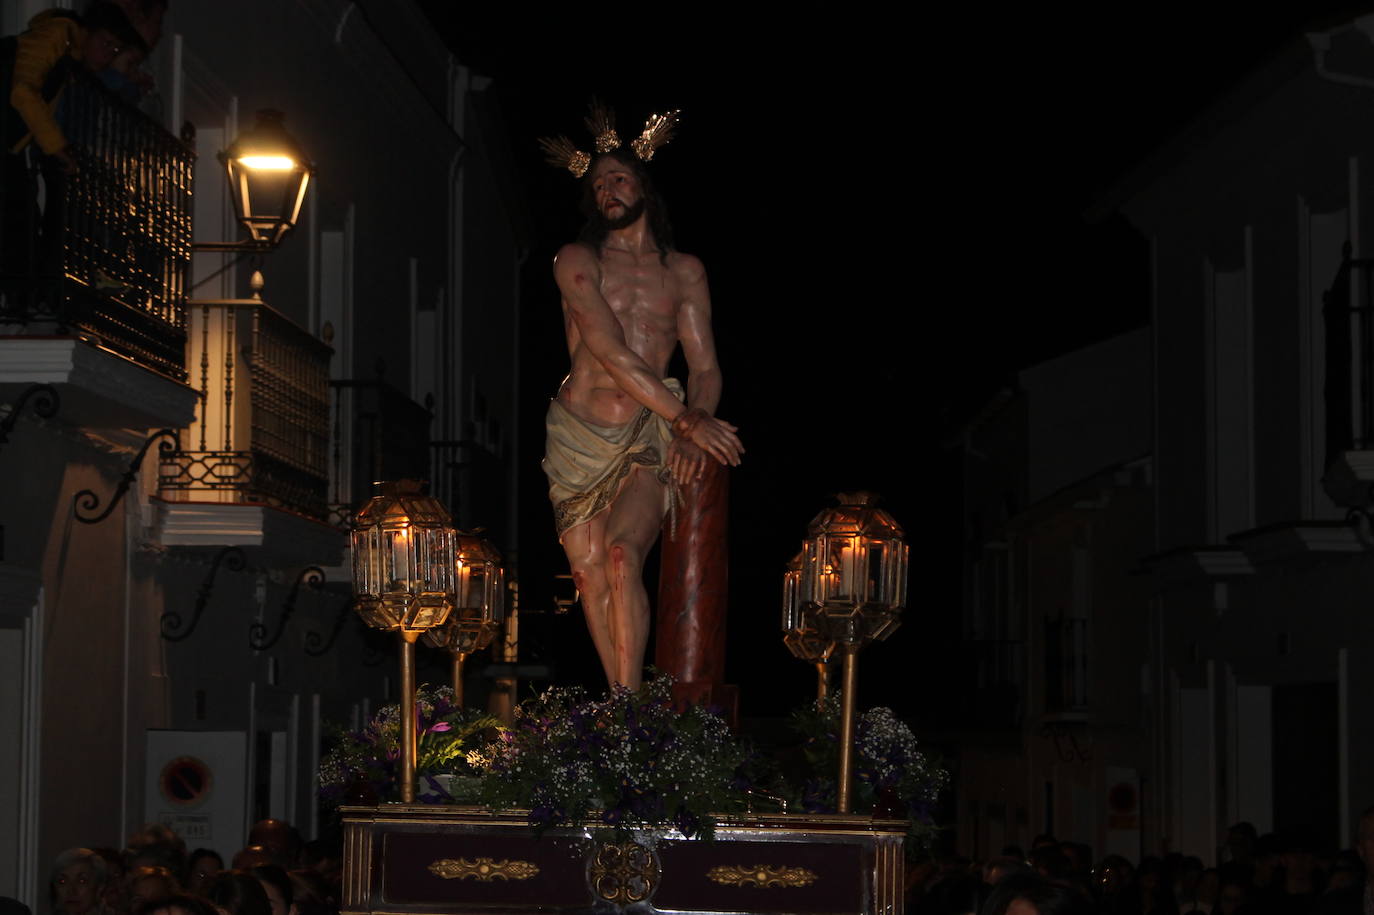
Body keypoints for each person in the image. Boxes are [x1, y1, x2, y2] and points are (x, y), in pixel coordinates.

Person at [539, 105, 743, 689]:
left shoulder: (685, 272)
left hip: (649, 433)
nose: (608, 190)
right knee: (587, 574)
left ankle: (629, 720)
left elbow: (704, 366)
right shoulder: (576, 261)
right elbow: (608, 349)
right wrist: (687, 419)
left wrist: (694, 416)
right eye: (598, 183)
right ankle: (620, 707)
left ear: (645, 188)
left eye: (619, 178)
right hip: (579, 433)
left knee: (624, 554)